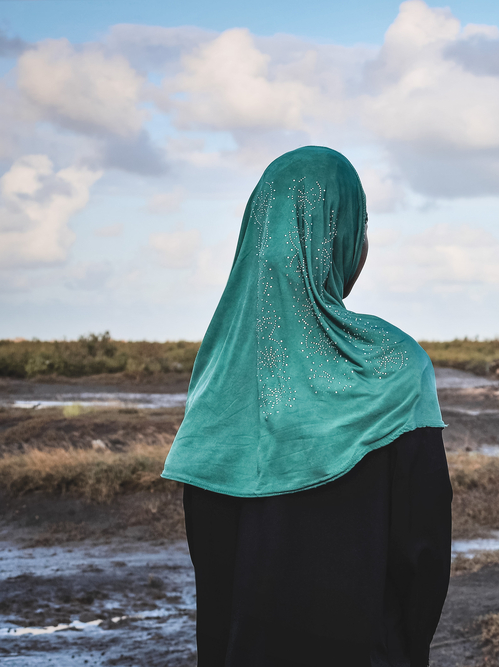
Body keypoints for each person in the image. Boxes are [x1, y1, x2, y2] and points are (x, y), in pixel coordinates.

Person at [162, 147, 452, 667]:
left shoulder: (216, 381)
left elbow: (213, 569)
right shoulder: (394, 370)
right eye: (362, 225)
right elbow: (423, 555)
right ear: (340, 239)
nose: (365, 242)